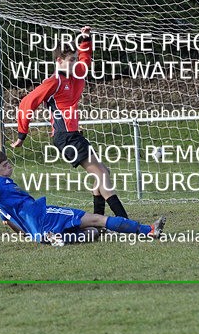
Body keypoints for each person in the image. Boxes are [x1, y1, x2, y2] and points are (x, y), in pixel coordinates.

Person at [11, 26, 130, 219]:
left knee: (103, 173)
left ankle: (98, 222)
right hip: (64, 137)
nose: (75, 63)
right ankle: (125, 223)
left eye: (75, 59)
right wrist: (22, 134)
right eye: (71, 60)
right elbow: (27, 103)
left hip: (73, 135)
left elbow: (85, 58)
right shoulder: (54, 82)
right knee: (101, 175)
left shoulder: (78, 73)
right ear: (59, 61)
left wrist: (85, 39)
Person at [0, 150, 165, 245]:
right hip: (44, 215)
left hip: (39, 229)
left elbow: (8, 222)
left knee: (92, 233)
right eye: (5, 165)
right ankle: (148, 230)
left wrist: (34, 236)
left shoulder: (0, 191)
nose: (9, 166)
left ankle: (56, 238)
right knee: (97, 220)